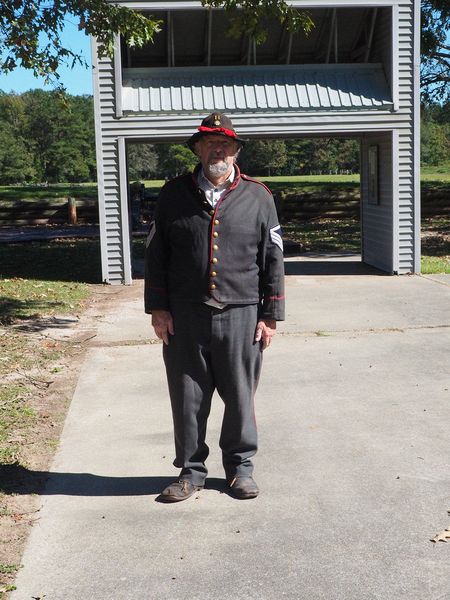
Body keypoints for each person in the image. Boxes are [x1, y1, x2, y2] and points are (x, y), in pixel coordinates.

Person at [144, 112, 285, 502]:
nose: (216, 149)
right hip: (185, 314)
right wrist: (158, 308)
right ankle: (190, 471)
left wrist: (270, 314)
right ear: (198, 149)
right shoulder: (173, 194)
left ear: (235, 150)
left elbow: (273, 258)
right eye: (209, 143)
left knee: (240, 396)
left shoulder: (259, 196)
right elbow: (156, 255)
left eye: (224, 144)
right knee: (188, 396)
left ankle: (240, 470)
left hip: (241, 313)